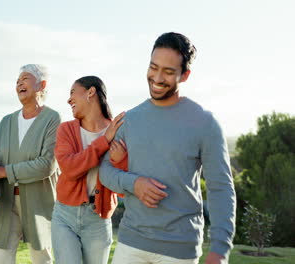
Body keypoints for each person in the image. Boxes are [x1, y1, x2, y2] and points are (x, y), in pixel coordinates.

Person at [99, 32, 236, 264]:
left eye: (169, 71)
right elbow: (105, 170)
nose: (157, 77)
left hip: (179, 249)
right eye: (154, 67)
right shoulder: (130, 119)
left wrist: (220, 250)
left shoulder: (204, 123)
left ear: (185, 76)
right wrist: (134, 183)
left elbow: (221, 188)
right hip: (131, 243)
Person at [0, 64, 60, 264]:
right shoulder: (6, 122)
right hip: (6, 202)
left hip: (40, 203)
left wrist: (3, 171)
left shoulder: (53, 119)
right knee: (1, 257)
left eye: (25, 78)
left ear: (42, 84)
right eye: (17, 81)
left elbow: (46, 165)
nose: (19, 83)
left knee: (42, 259)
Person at [51, 76, 125, 264]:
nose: (69, 100)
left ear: (90, 92)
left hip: (98, 219)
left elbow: (123, 185)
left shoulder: (119, 131)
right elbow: (69, 168)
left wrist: (120, 160)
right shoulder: (66, 130)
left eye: (72, 93)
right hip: (65, 216)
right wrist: (103, 142)